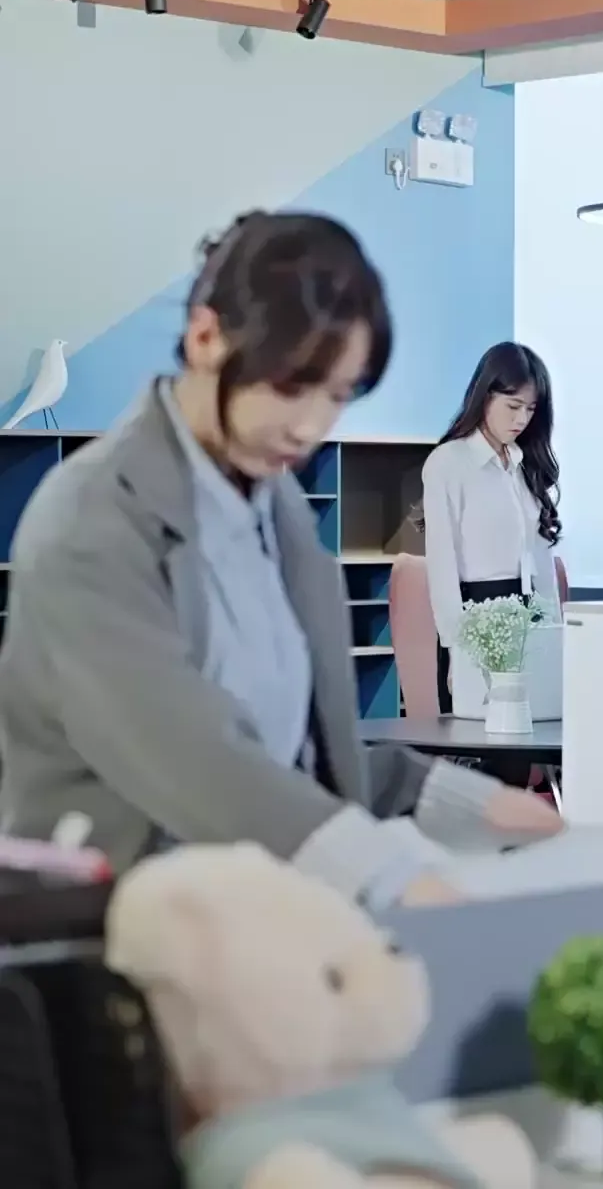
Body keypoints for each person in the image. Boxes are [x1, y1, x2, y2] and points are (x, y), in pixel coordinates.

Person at [0, 214, 561, 910]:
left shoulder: (280, 510)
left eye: (338, 395)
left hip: (260, 899)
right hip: (113, 923)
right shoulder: (92, 521)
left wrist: (462, 801)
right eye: (293, 385)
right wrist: (390, 877)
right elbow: (195, 762)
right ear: (206, 339)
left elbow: (299, 756)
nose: (310, 426)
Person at [422, 342, 561, 787]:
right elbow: (442, 563)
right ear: (485, 396)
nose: (522, 419)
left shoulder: (523, 464)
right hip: (478, 618)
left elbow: (540, 558)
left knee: (525, 748)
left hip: (528, 613)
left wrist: (554, 632)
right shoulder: (448, 463)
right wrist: (455, 647)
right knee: (489, 754)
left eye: (531, 410)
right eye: (513, 406)